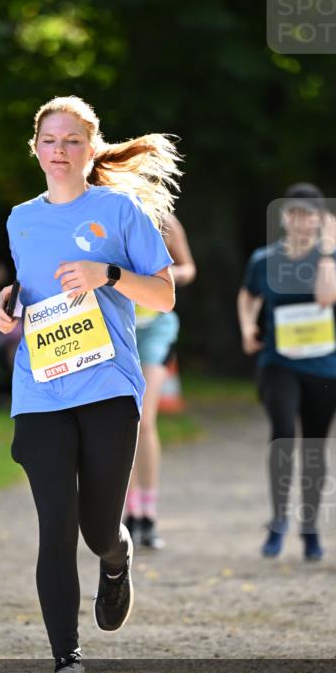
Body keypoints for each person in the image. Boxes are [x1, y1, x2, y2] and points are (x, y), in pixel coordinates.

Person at [0, 95, 179, 673]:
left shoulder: (118, 211)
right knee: (56, 523)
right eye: (50, 140)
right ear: (36, 149)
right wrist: (4, 302)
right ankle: (65, 663)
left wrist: (110, 276)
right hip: (40, 385)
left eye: (73, 140)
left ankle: (116, 555)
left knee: (97, 525)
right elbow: (29, 287)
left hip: (107, 384)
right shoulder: (20, 218)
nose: (61, 151)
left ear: (91, 149)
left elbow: (165, 295)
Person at [238, 183, 336, 561]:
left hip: (323, 367)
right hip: (278, 363)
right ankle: (278, 519)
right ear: (285, 217)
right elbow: (248, 294)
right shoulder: (264, 259)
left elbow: (327, 296)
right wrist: (247, 325)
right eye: (295, 214)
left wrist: (327, 253)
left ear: (321, 221)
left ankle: (310, 526)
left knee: (314, 447)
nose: (301, 223)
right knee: (283, 434)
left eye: (310, 216)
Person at [125, 213, 196, 548]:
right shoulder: (107, 215)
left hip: (155, 326)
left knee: (144, 419)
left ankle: (148, 514)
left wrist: (162, 273)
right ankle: (127, 512)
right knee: (120, 420)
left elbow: (188, 268)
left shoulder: (165, 220)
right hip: (116, 327)